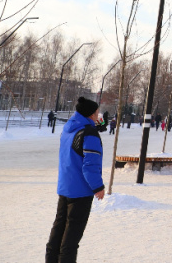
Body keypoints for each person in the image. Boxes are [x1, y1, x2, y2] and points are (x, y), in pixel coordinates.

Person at [46, 97, 105, 263]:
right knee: (71, 239)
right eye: (97, 112)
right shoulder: (89, 133)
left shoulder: (69, 129)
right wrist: (98, 186)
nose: (98, 114)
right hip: (80, 191)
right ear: (92, 113)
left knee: (58, 232)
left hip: (65, 187)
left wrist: (94, 127)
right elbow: (90, 166)